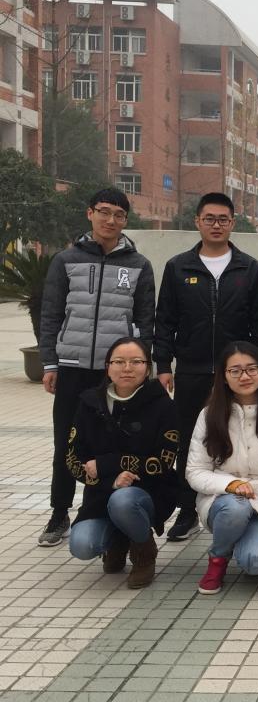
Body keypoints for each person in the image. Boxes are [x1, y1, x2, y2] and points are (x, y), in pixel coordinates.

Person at [38, 187, 155, 547]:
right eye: (104, 212)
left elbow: (145, 320)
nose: (110, 220)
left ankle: (108, 510)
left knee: (113, 442)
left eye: (118, 214)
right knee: (65, 442)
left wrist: (140, 366)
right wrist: (50, 362)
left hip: (114, 373)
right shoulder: (66, 259)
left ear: (125, 220)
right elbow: (51, 313)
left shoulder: (138, 265)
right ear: (90, 213)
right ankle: (59, 512)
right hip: (72, 367)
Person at [155, 192, 258, 543]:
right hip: (191, 369)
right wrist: (163, 363)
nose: (216, 225)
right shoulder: (179, 267)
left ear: (232, 223)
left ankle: (244, 502)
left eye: (223, 219)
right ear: (197, 221)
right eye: (210, 218)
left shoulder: (249, 268)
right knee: (186, 441)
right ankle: (187, 510)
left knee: (238, 436)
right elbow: (165, 320)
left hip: (236, 375)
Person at [65, 338, 178, 588]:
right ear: (108, 367)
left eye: (136, 362)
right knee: (83, 545)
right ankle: (119, 538)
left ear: (147, 368)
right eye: (119, 362)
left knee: (123, 501)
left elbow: (163, 462)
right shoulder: (89, 403)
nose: (127, 368)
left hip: (148, 493)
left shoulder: (163, 405)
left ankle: (143, 551)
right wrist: (111, 480)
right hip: (101, 493)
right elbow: (72, 458)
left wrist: (107, 464)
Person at [186, 342, 258, 595]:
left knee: (254, 564)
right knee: (236, 507)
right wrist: (230, 485)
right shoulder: (209, 415)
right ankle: (218, 558)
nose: (244, 376)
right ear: (224, 377)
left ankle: (245, 539)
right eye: (235, 371)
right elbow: (195, 471)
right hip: (223, 503)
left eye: (251, 369)